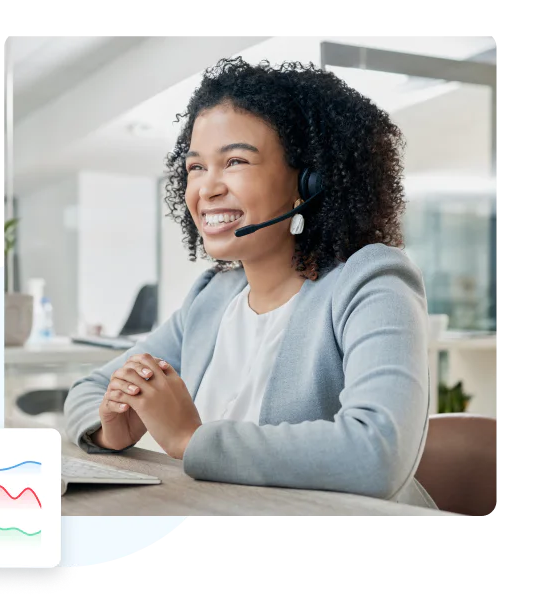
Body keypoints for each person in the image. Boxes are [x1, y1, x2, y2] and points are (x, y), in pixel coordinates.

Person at [64, 57, 436, 508]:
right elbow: (88, 389)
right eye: (196, 167)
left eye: (235, 161)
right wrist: (110, 427)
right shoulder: (212, 297)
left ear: (309, 181)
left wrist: (190, 438)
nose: (207, 188)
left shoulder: (372, 282)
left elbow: (376, 453)